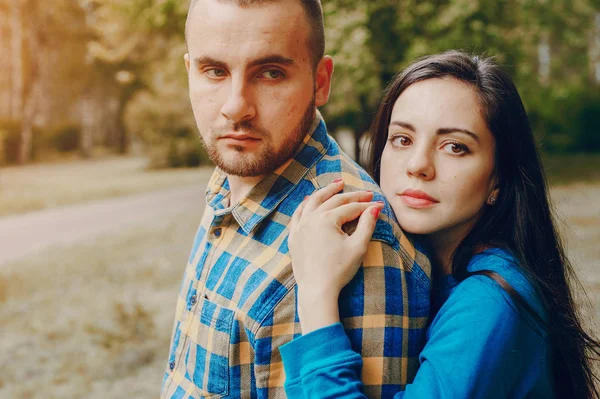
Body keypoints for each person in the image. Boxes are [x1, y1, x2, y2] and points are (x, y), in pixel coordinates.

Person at [280, 51, 600, 398]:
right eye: (402, 139)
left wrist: (316, 297)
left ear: (498, 179)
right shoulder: (415, 268)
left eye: (454, 147)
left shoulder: (490, 302)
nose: (418, 165)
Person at [160, 1, 431, 398]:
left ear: (321, 82)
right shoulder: (231, 175)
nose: (235, 107)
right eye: (214, 71)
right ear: (190, 72)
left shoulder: (358, 236)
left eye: (271, 73)